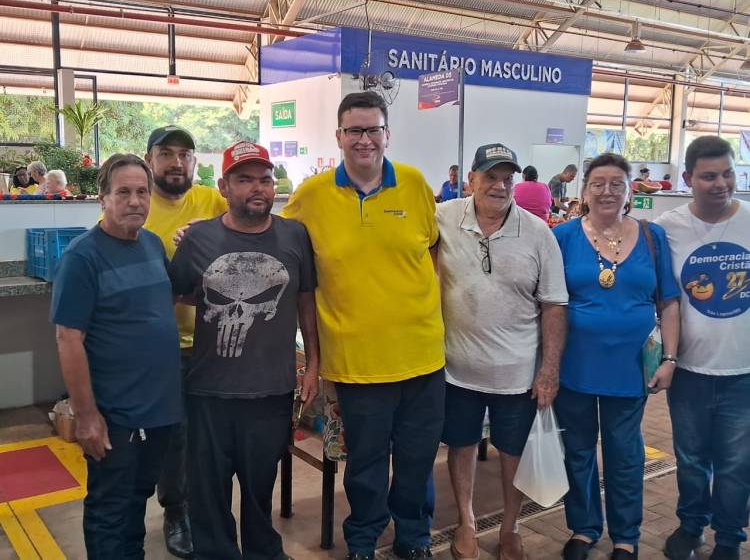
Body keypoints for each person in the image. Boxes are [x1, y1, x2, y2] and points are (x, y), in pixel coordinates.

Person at [281, 91, 445, 560]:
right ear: (339, 136)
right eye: (354, 130)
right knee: (366, 467)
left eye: (373, 129)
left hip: (422, 359)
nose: (364, 139)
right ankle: (363, 540)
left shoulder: (413, 184)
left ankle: (414, 538)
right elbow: (276, 239)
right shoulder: (312, 196)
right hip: (357, 364)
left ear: (387, 134)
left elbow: (431, 247)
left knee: (416, 462)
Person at [169, 141, 318, 560]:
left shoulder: (295, 235)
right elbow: (176, 293)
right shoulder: (198, 238)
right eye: (244, 179)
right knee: (208, 489)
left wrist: (313, 367)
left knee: (259, 486)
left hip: (271, 390)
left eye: (265, 179)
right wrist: (212, 305)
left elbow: (305, 300)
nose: (258, 187)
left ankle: (262, 552)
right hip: (208, 391)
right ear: (223, 186)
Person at [437, 144, 568, 560]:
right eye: (491, 176)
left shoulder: (537, 232)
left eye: (507, 178)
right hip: (456, 369)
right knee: (461, 446)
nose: (499, 185)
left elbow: (554, 305)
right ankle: (467, 522)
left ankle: (510, 528)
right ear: (471, 178)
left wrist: (548, 370)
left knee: (512, 453)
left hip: (517, 373)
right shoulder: (444, 217)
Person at [51, 154, 182, 559]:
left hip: (159, 410)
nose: (135, 201)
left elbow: (167, 302)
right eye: (123, 192)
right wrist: (87, 415)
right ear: (103, 198)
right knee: (111, 508)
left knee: (136, 502)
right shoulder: (83, 257)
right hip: (116, 415)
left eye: (142, 192)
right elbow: (68, 338)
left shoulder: (153, 244)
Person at [552, 153, 681, 560]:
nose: (607, 191)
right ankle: (584, 528)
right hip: (574, 366)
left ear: (629, 191)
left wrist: (670, 359)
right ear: (584, 191)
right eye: (598, 184)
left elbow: (670, 303)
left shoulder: (650, 237)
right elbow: (548, 303)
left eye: (616, 184)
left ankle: (626, 535)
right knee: (578, 451)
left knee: (626, 453)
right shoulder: (564, 237)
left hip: (630, 369)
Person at [656, 136, 750, 560]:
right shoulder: (667, 228)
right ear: (687, 178)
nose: (721, 184)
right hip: (690, 371)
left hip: (743, 373)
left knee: (735, 466)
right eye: (709, 176)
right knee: (691, 461)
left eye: (728, 173)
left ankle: (728, 540)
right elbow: (663, 297)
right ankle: (691, 526)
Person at [144, 125, 228, 559]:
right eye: (166, 154)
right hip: (164, 347)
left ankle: (207, 509)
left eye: (185, 154)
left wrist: (211, 229)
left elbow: (244, 229)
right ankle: (176, 510)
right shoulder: (139, 205)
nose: (177, 162)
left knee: (211, 434)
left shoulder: (212, 201)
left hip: (217, 341)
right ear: (150, 161)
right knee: (174, 435)